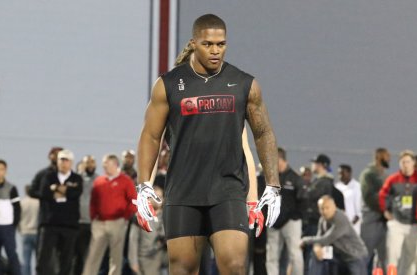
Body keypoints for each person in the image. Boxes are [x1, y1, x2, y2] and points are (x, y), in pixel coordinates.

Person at [134, 14, 281, 275]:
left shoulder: (244, 84)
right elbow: (151, 136)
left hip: (227, 191)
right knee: (182, 269)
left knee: (235, 266)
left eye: (221, 44)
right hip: (183, 192)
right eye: (208, 44)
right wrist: (143, 184)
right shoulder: (168, 85)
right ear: (193, 43)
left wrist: (271, 185)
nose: (215, 51)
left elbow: (261, 134)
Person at [82, 154, 137, 275]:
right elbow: (93, 202)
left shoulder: (125, 181)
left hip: (118, 222)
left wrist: (125, 217)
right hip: (100, 223)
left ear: (115, 164)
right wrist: (94, 218)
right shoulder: (99, 181)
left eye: (106, 163)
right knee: (93, 256)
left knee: (116, 257)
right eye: (103, 164)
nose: (104, 166)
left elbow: (133, 200)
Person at [37, 149, 83, 275]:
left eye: (66, 160)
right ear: (57, 162)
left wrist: (56, 188)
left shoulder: (77, 178)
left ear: (71, 162)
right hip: (50, 223)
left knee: (66, 259)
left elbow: (75, 194)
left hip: (69, 225)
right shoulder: (48, 176)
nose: (64, 163)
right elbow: (44, 193)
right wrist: (66, 190)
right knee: (44, 258)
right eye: (61, 160)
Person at [378, 150, 417, 274]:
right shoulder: (392, 179)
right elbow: (382, 195)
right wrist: (385, 210)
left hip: (414, 225)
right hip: (396, 223)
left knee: (410, 258)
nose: (405, 165)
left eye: (408, 162)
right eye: (403, 162)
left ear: (413, 163)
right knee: (393, 255)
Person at [301, 195, 368, 275]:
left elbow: (327, 239)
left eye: (327, 208)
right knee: (315, 253)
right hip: (339, 257)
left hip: (355, 257)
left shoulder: (340, 218)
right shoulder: (322, 220)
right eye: (322, 208)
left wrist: (305, 240)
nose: (324, 211)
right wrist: (316, 247)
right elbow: (319, 237)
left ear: (334, 207)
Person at [266, 147, 304, 275]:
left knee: (295, 255)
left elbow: (302, 200)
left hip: (291, 222)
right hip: (273, 222)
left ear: (280, 159)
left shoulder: (295, 178)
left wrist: (294, 216)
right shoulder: (270, 177)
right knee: (271, 257)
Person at [359, 148, 390, 273]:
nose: (389, 159)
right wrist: (386, 207)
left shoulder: (385, 176)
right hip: (371, 220)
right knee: (365, 255)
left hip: (384, 221)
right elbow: (369, 197)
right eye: (387, 157)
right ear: (379, 157)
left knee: (384, 257)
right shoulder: (368, 174)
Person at [128, 185, 166, 275]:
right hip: (146, 258)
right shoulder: (140, 216)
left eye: (161, 197)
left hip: (163, 256)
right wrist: (133, 262)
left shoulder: (166, 216)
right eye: (156, 197)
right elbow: (133, 240)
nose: (159, 200)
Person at [72, 155, 98, 275]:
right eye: (87, 162)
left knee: (91, 256)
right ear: (83, 165)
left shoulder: (99, 180)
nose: (90, 165)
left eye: (92, 162)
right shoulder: (76, 180)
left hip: (94, 224)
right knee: (75, 257)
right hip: (78, 223)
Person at [334, 164, 362, 234]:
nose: (340, 176)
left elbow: (359, 211)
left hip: (353, 225)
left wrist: (350, 225)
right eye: (339, 174)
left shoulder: (357, 187)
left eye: (343, 173)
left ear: (349, 173)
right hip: (338, 225)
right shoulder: (337, 187)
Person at [19, 185, 39, 275]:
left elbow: (18, 219)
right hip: (37, 233)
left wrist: (20, 230)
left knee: (26, 260)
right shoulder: (38, 202)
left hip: (25, 232)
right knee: (39, 260)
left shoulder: (22, 203)